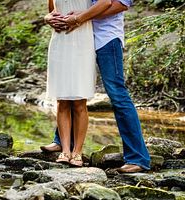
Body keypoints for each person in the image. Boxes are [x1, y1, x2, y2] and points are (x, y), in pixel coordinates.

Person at [42, 0, 151, 173]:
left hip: (105, 38)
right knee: (70, 88)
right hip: (78, 36)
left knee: (117, 94)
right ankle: (63, 143)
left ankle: (138, 158)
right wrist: (55, 17)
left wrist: (80, 17)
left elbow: (120, 4)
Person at [46, 0, 113, 167]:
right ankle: (65, 151)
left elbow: (106, 3)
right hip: (59, 40)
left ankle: (77, 151)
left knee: (79, 101)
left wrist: (78, 19)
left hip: (82, 38)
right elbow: (53, 10)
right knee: (62, 100)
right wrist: (48, 18)